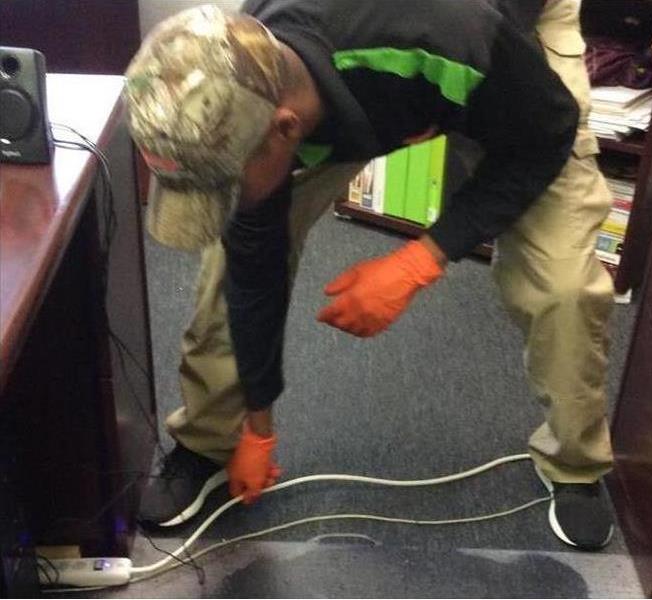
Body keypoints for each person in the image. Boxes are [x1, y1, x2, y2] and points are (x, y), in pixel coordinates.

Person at [125, 0, 615, 549]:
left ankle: (577, 463)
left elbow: (543, 136)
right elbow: (254, 259)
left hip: (499, 44)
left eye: (226, 180)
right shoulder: (242, 60)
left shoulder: (459, 35)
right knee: (233, 251)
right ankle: (211, 437)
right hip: (362, 70)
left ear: (285, 129)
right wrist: (258, 426)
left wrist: (420, 259)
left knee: (562, 285)